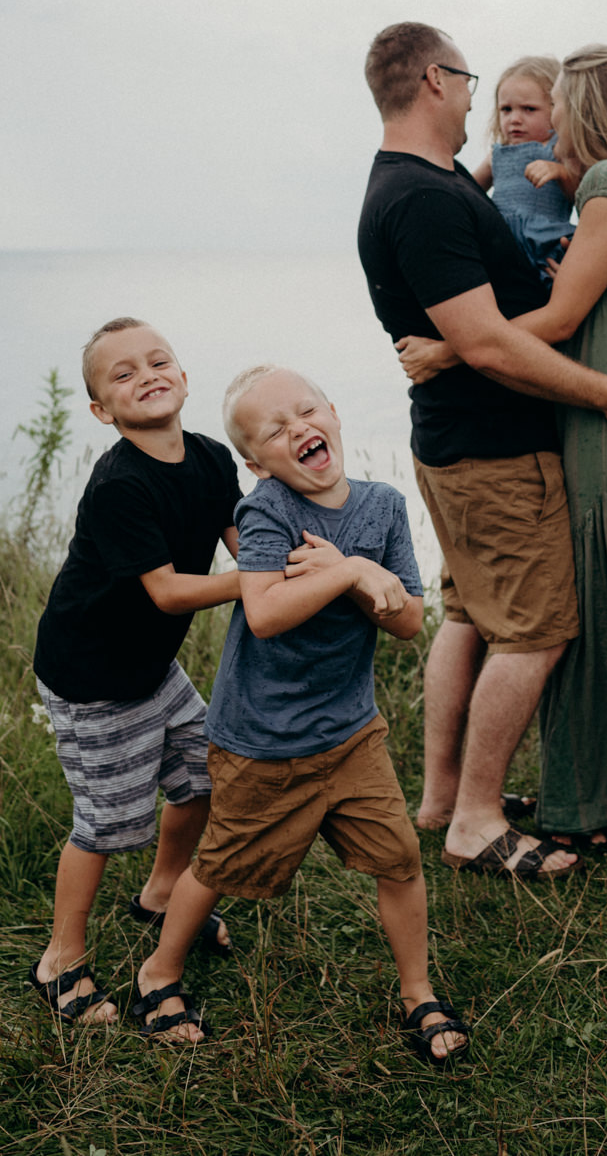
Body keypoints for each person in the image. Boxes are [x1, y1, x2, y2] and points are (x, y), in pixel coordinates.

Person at [397, 45, 607, 851]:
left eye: (558, 108)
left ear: (586, 110)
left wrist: (452, 348)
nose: (543, 128)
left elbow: (556, 322)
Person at [357, 21, 607, 881]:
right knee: (536, 631)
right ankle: (475, 821)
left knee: (469, 614)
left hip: (459, 444)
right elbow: (492, 344)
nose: (476, 100)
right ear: (434, 79)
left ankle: (441, 799)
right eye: (467, 81)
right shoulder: (424, 197)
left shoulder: (432, 183)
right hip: (496, 452)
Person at [132, 365, 469, 1066]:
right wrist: (349, 573)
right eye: (275, 431)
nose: (298, 430)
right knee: (219, 863)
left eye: (306, 411)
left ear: (335, 414)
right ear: (257, 464)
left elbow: (408, 620)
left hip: (351, 735)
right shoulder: (269, 511)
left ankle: (417, 991)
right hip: (262, 742)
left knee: (402, 859)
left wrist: (362, 572)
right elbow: (262, 613)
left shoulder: (381, 505)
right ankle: (158, 974)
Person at [29, 317, 242, 1025]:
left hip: (152, 667)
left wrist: (301, 567)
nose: (146, 374)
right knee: (107, 821)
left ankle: (160, 893)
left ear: (183, 378)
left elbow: (250, 545)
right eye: (122, 374)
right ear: (102, 411)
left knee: (204, 777)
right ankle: (60, 960)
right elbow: (170, 591)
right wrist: (258, 584)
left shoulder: (211, 459)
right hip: (93, 677)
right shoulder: (120, 483)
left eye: (158, 361)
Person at [469, 54, 576, 281]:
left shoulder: (560, 150)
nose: (514, 119)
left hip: (546, 243)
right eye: (506, 109)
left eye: (529, 109)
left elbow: (580, 193)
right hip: (501, 240)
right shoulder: (497, 155)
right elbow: (467, 189)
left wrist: (561, 172)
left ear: (556, 109)